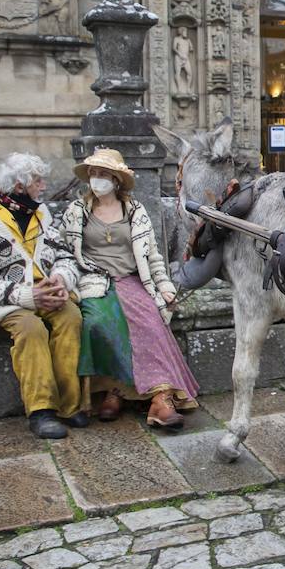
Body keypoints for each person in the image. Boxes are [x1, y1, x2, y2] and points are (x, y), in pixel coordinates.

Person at [60, 149, 200, 430]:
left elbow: (152, 256)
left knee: (151, 322)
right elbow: (63, 253)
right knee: (98, 324)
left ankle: (161, 399)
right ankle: (114, 391)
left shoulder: (135, 211)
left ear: (116, 179)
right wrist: (64, 283)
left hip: (133, 280)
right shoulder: (76, 212)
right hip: (93, 282)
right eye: (93, 174)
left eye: (102, 174)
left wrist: (164, 287)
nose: (96, 179)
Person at [0, 153, 85, 439]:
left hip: (47, 294)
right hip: (6, 301)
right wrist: (28, 297)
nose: (43, 186)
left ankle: (70, 405)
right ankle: (41, 411)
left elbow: (63, 254)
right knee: (31, 329)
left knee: (72, 317)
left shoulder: (41, 214)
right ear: (19, 186)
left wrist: (61, 279)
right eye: (37, 181)